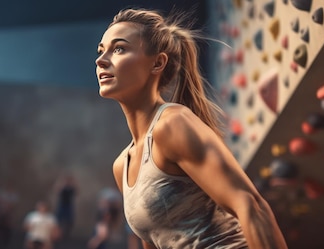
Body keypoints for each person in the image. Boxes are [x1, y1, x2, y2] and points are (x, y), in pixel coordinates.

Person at [95, 8, 288, 249]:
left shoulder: (173, 124)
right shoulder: (121, 166)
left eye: (119, 49)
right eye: (101, 50)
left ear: (157, 63)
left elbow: (250, 206)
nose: (101, 60)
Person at [53, 173, 77, 239]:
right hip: (62, 205)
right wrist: (61, 183)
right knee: (58, 220)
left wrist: (73, 183)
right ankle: (58, 234)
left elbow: (76, 192)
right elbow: (57, 190)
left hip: (69, 205)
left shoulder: (71, 188)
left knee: (70, 221)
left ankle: (66, 234)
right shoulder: (62, 187)